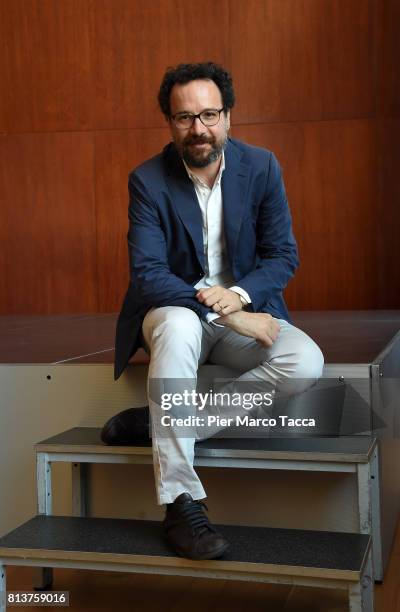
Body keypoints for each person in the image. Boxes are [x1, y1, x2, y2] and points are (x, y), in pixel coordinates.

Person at [114, 62, 324, 561]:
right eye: (185, 118)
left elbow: (282, 255)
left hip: (246, 307)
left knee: (305, 362)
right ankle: (181, 501)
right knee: (181, 324)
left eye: (209, 114)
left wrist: (244, 296)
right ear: (169, 122)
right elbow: (148, 274)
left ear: (228, 115)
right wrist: (230, 313)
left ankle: (161, 420)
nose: (199, 128)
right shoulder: (147, 180)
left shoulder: (263, 166)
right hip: (175, 312)